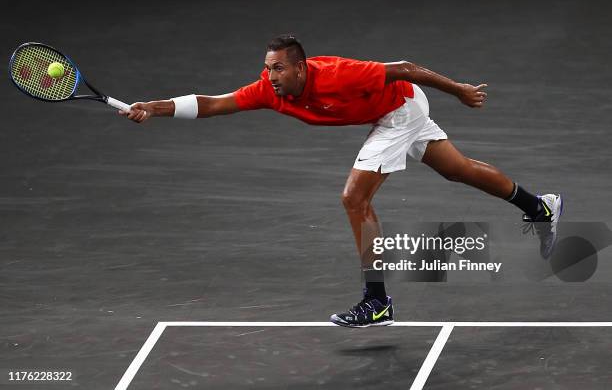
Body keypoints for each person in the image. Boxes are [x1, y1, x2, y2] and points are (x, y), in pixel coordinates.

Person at [119, 34, 563, 328]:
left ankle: (377, 300)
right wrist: (153, 108)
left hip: (400, 109)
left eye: (278, 69)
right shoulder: (267, 91)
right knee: (457, 169)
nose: (269, 77)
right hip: (390, 113)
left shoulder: (337, 74)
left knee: (354, 199)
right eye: (267, 68)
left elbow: (406, 66)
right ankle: (538, 206)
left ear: (300, 68)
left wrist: (460, 90)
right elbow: (213, 103)